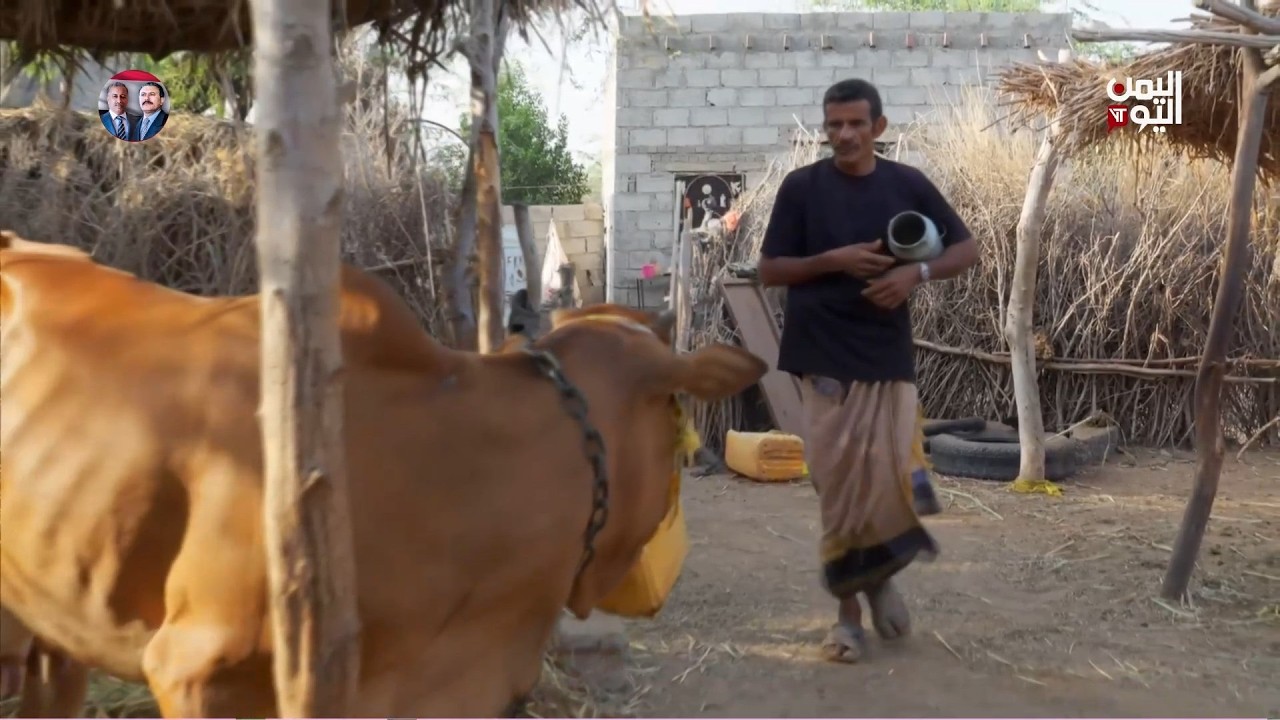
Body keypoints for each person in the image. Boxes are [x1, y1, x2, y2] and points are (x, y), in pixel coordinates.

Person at [757, 77, 980, 664]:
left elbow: (966, 248)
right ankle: (850, 614)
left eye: (856, 124)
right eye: (834, 125)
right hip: (822, 353)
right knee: (839, 489)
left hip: (886, 354)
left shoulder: (908, 184)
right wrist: (835, 260)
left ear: (879, 128)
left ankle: (873, 585)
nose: (845, 135)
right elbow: (771, 270)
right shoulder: (801, 188)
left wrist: (917, 275)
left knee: (887, 484)